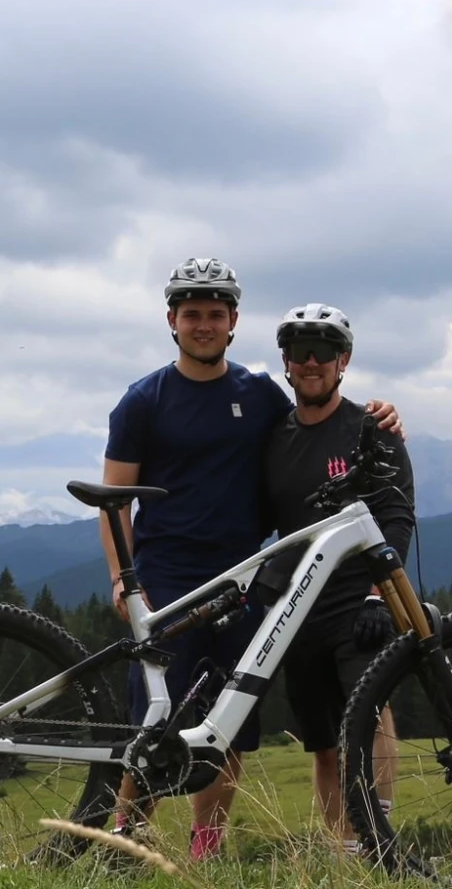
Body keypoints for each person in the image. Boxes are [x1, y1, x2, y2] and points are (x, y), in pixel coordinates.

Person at [100, 258, 400, 861]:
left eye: (216, 314)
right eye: (192, 315)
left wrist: (381, 421)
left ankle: (204, 850)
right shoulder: (143, 401)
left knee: (230, 722)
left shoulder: (259, 394)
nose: (204, 325)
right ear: (172, 321)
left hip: (243, 581)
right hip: (167, 576)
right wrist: (121, 580)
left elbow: (316, 425)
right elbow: (114, 502)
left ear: (234, 322)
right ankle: (118, 843)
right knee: (154, 723)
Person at [259, 303, 416, 847]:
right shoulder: (274, 436)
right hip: (297, 605)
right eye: (299, 351)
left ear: (342, 360)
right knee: (322, 740)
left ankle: (379, 838)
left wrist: (380, 592)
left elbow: (397, 516)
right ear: (286, 361)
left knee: (371, 714)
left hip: (359, 598)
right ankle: (344, 853)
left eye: (322, 351)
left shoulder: (371, 428)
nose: (310, 362)